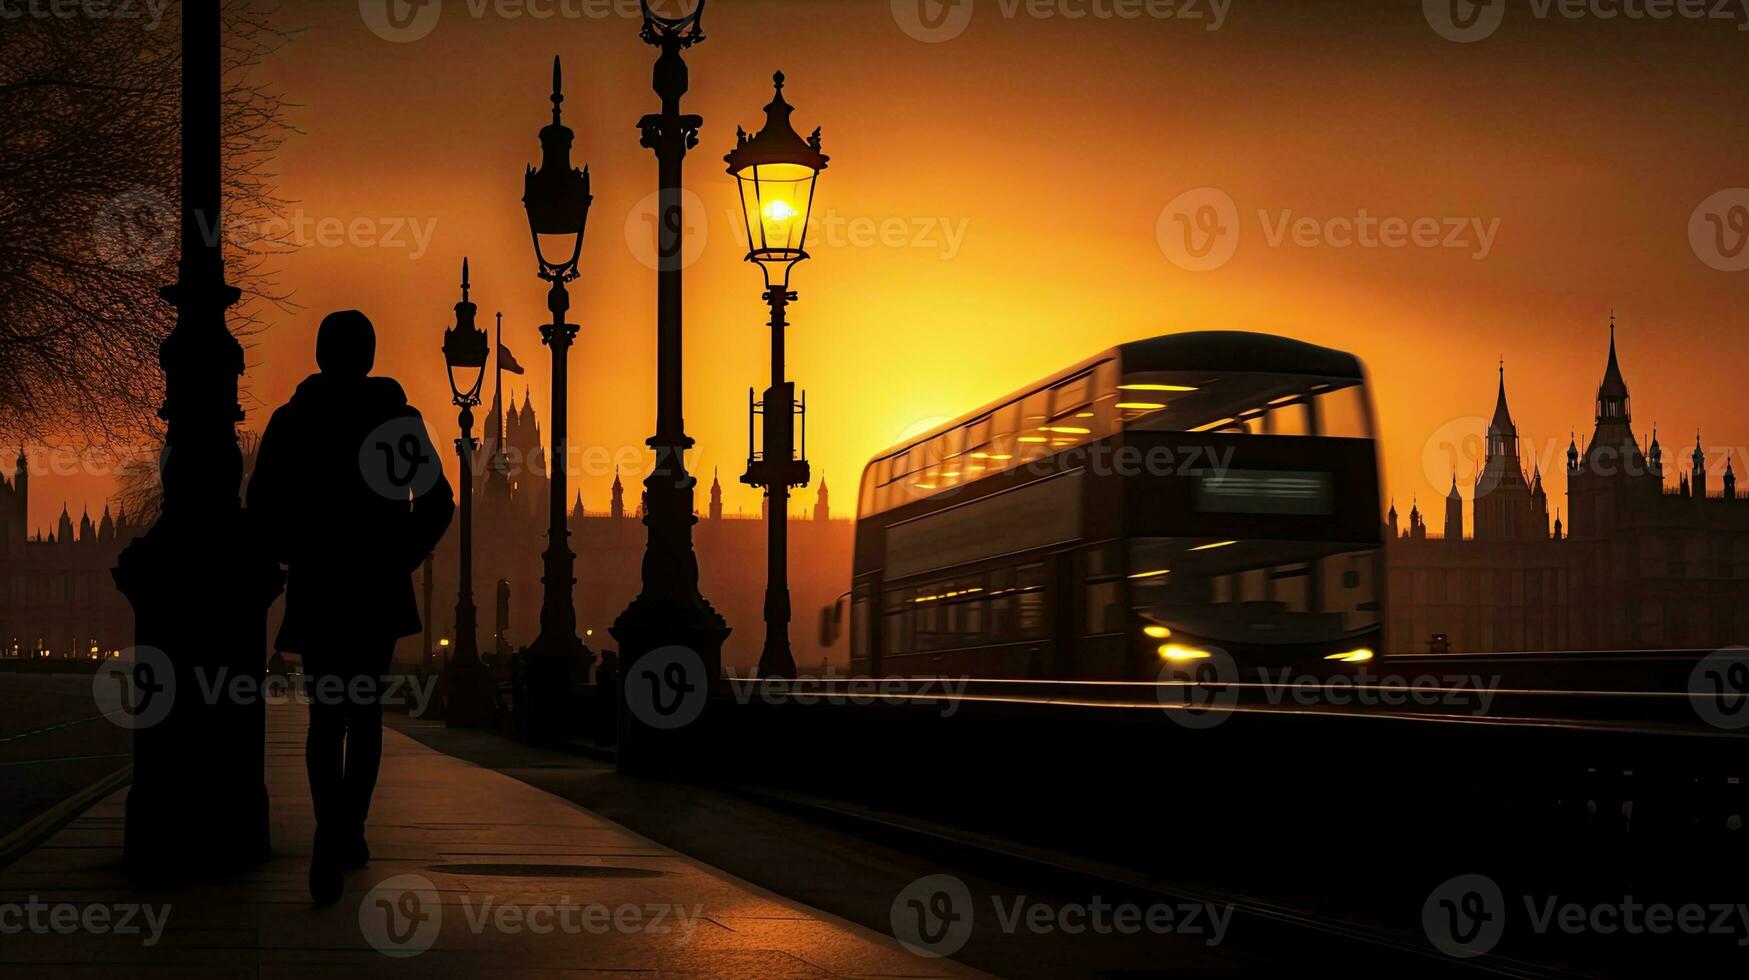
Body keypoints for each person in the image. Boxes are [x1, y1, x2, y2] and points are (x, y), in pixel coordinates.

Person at [247, 310, 454, 904]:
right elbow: (438, 504)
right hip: (375, 585)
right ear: (369, 356)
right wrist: (401, 554)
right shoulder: (397, 421)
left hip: (320, 582)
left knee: (325, 717)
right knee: (364, 717)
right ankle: (349, 830)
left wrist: (296, 550)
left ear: (319, 354)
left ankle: (328, 828)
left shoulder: (292, 421)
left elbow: (260, 506)